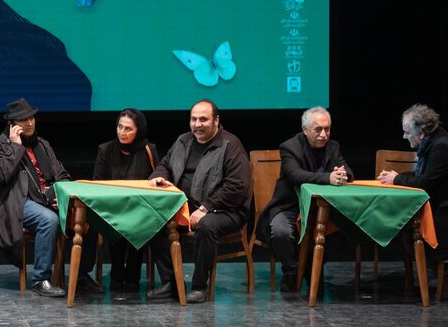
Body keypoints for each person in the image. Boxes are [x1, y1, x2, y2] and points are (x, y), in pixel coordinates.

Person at [148, 100, 251, 303]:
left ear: (216, 121)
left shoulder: (230, 145)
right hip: (187, 207)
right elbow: (165, 165)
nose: (197, 124)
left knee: (206, 226)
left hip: (226, 210)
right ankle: (171, 282)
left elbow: (236, 186)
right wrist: (158, 176)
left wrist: (206, 208)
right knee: (152, 221)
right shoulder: (183, 141)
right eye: (194, 119)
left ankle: (199, 286)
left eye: (203, 119)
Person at [0, 98, 85, 297]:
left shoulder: (42, 144)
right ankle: (40, 279)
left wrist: (61, 196)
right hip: (18, 202)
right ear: (12, 125)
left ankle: (82, 277)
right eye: (24, 120)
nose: (30, 123)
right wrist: (16, 147)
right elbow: (2, 175)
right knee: (49, 220)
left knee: (85, 215)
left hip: (46, 200)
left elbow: (62, 174)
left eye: (32, 118)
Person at [256, 107, 352, 292]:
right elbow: (295, 175)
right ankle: (291, 272)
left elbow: (347, 170)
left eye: (327, 129)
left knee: (347, 230)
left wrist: (343, 174)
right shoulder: (290, 147)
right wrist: (328, 178)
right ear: (305, 129)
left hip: (322, 208)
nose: (324, 134)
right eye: (318, 129)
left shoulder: (333, 146)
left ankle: (310, 265)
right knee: (281, 232)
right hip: (290, 205)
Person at [380, 104, 448, 290]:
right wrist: (397, 177)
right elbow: (423, 175)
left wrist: (397, 179)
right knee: (406, 229)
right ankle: (445, 272)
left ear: (421, 133)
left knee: (411, 233)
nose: (404, 136)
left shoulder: (442, 147)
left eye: (407, 132)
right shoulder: (435, 142)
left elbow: (423, 184)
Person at [92, 108, 161, 296]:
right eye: (120, 127)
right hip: (112, 210)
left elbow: (158, 177)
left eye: (128, 129)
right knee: (115, 225)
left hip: (141, 210)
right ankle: (117, 273)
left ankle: (132, 275)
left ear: (139, 130)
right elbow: (96, 184)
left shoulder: (149, 150)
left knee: (140, 224)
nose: (122, 132)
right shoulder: (106, 150)